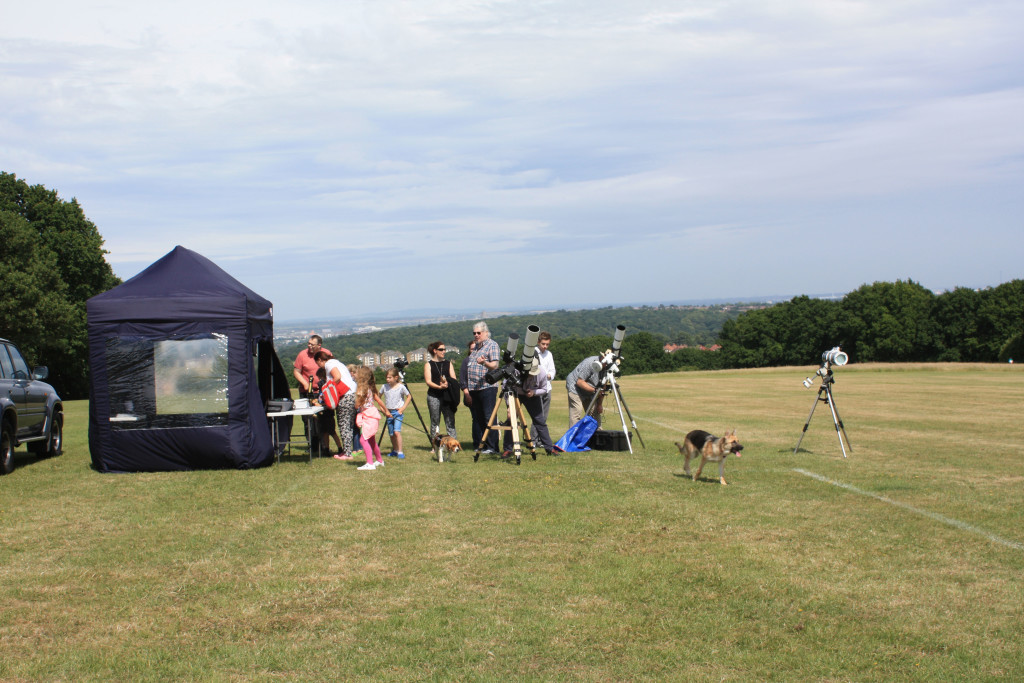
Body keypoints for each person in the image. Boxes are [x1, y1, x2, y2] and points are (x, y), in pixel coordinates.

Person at [462, 322, 500, 454]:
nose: (476, 335)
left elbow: (495, 366)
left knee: (489, 417)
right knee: (479, 417)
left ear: (486, 333)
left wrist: (484, 362)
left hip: (487, 387)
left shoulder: (492, 345)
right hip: (474, 388)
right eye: (474, 333)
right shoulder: (476, 347)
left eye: (478, 333)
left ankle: (493, 447)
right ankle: (484, 445)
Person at [503, 363, 554, 456]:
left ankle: (549, 448)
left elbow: (544, 389)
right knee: (511, 420)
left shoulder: (542, 373)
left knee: (540, 421)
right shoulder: (516, 371)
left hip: (532, 396)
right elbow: (505, 386)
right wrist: (509, 405)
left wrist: (534, 392)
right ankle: (508, 449)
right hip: (515, 394)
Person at [294, 335, 334, 453]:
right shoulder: (302, 355)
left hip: (323, 392)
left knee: (323, 420)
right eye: (308, 343)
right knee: (308, 420)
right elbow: (296, 372)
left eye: (312, 344)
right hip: (307, 392)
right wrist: (305, 384)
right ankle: (312, 446)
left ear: (319, 346)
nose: (309, 346)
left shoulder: (326, 353)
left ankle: (324, 446)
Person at [314, 351, 357, 460]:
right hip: (352, 394)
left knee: (343, 424)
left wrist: (327, 388)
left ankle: (347, 453)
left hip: (345, 396)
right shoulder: (338, 362)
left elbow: (337, 377)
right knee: (349, 425)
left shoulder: (329, 364)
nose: (319, 366)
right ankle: (347, 451)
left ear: (320, 360)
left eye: (317, 363)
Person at [354, 366, 389, 471]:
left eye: (357, 373)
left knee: (363, 440)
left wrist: (356, 405)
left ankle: (370, 463)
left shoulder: (361, 389)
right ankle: (379, 460)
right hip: (372, 415)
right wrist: (386, 411)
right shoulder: (370, 388)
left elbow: (357, 404)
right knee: (371, 440)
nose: (355, 375)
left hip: (368, 417)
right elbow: (379, 400)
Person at [424, 341, 458, 439]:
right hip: (434, 396)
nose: (444, 351)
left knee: (450, 420)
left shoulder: (448, 363)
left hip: (447, 396)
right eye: (441, 349)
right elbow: (428, 381)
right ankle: (435, 445)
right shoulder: (428, 364)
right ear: (435, 351)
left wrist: (448, 383)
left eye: (444, 349)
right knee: (435, 421)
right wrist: (439, 387)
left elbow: (454, 379)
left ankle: (453, 444)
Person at [380, 367, 412, 459]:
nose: (387, 379)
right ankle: (395, 450)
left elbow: (409, 397)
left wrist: (402, 408)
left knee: (396, 432)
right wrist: (383, 410)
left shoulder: (401, 387)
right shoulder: (384, 387)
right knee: (391, 434)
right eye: (386, 377)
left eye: (389, 377)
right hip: (388, 413)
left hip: (397, 413)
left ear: (396, 377)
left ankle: (400, 451)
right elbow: (378, 398)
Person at [565, 355, 604, 427]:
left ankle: (598, 436)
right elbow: (580, 382)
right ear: (602, 357)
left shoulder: (608, 370)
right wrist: (595, 390)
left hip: (591, 389)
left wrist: (599, 404)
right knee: (576, 412)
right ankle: (574, 436)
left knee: (595, 414)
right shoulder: (590, 363)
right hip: (575, 387)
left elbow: (602, 390)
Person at [532, 331, 555, 443]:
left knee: (544, 416)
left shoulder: (549, 354)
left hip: (547, 387)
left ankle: (541, 440)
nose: (545, 346)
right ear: (538, 342)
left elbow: (552, 370)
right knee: (537, 416)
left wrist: (549, 376)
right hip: (537, 388)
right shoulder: (533, 352)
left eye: (547, 344)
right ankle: (533, 440)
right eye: (543, 344)